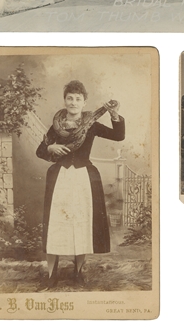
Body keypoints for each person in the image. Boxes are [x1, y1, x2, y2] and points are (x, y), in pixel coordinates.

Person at [36, 80, 125, 288]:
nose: (73, 102)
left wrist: (114, 115)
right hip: (60, 179)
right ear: (65, 100)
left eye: (78, 99)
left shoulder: (91, 124)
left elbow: (118, 135)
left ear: (84, 102)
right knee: (56, 223)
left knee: (83, 223)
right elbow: (40, 151)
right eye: (70, 98)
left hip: (84, 178)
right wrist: (51, 148)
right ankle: (52, 275)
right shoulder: (56, 125)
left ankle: (78, 272)